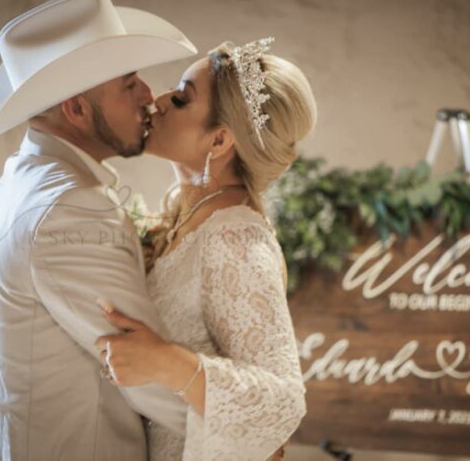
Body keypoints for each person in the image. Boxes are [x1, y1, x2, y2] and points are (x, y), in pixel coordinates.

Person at [0, 0, 198, 460]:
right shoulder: (72, 206)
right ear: (75, 109)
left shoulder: (18, 182)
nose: (149, 96)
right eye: (129, 82)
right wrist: (250, 425)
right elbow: (149, 374)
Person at [93, 37, 317, 460]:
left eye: (180, 99)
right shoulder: (187, 213)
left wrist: (165, 362)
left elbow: (282, 402)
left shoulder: (234, 237)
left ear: (218, 142)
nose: (156, 100)